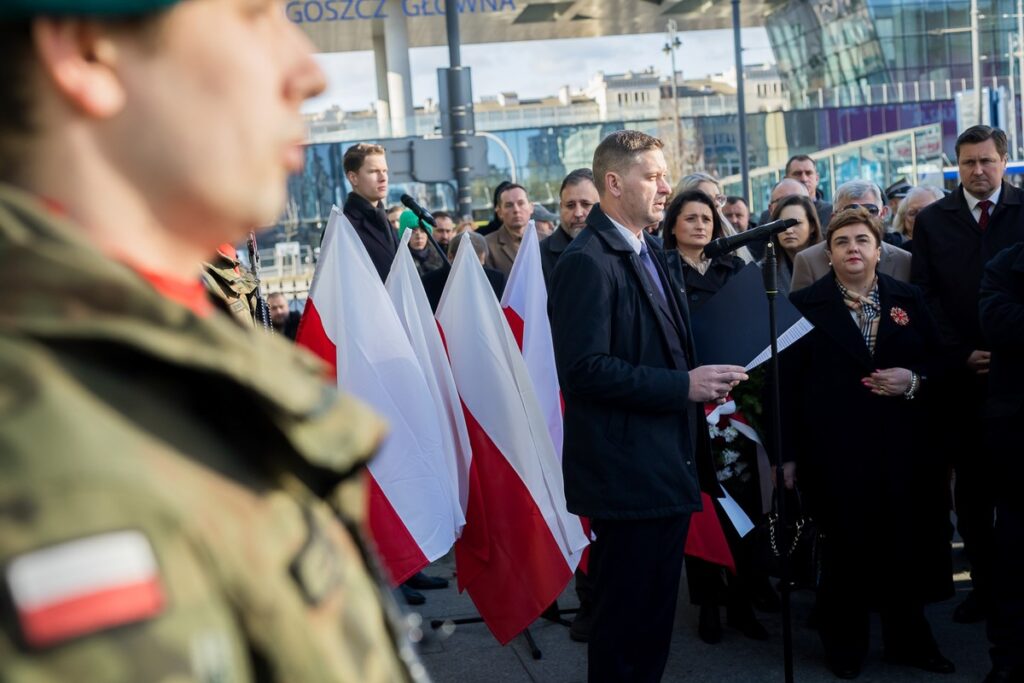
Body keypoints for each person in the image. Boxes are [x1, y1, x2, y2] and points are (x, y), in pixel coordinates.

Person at [0, 2, 418, 681]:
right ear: (86, 52)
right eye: (254, 16)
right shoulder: (41, 443)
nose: (307, 71)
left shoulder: (157, 357)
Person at [549, 129, 748, 682]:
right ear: (613, 183)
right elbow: (584, 370)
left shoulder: (647, 249)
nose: (666, 187)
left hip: (663, 465)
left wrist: (711, 375)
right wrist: (684, 386)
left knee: (652, 630)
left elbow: (665, 346)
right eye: (653, 176)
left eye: (666, 175)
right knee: (625, 633)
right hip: (627, 474)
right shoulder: (588, 260)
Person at [781, 209, 954, 679]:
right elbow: (787, 388)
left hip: (903, 451)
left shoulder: (908, 298)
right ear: (828, 253)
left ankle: (909, 642)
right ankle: (845, 646)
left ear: (880, 251)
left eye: (862, 240)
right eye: (841, 242)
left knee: (904, 548)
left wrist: (912, 381)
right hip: (834, 453)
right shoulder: (803, 305)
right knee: (844, 552)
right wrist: (788, 454)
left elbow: (943, 367)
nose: (853, 248)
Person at [912, 124, 1024, 626]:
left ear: (1005, 161)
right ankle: (983, 585)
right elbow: (925, 295)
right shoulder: (934, 220)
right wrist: (960, 353)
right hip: (961, 380)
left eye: (987, 161)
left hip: (1019, 378)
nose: (978, 172)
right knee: (972, 494)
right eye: (968, 163)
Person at [661, 189, 766, 644]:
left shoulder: (736, 269)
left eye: (707, 218)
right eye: (690, 218)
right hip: (685, 403)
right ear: (673, 226)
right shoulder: (661, 271)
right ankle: (707, 603)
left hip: (734, 404)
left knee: (742, 503)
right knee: (700, 507)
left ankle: (743, 599)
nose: (701, 225)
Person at [979, 242, 1024, 682]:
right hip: (1017, 437)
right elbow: (999, 324)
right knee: (1014, 551)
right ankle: (1009, 657)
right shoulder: (1005, 264)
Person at [790, 179, 912, 292]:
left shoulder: (903, 260)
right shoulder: (808, 261)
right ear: (834, 217)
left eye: (870, 210)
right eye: (850, 212)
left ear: (883, 213)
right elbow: (798, 312)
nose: (860, 218)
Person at [343, 143, 398, 283]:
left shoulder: (384, 218)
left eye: (385, 171)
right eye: (374, 171)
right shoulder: (343, 227)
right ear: (353, 178)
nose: (383, 178)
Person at [675, 172, 754, 263]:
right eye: (706, 198)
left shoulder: (730, 238)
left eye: (718, 198)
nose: (716, 203)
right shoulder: (667, 256)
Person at [540, 168, 599, 288]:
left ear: (601, 205)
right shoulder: (539, 255)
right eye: (570, 205)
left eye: (586, 204)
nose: (578, 213)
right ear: (561, 207)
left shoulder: (619, 246)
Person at [421, 232, 507, 312]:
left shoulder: (496, 280)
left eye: (477, 264)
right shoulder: (430, 282)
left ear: (484, 259)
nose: (472, 270)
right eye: (467, 263)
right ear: (451, 257)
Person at [764, 194, 822, 298]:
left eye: (796, 223)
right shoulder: (763, 271)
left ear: (812, 226)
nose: (789, 231)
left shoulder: (830, 263)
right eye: (783, 224)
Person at [484, 183, 532, 277]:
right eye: (509, 205)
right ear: (499, 212)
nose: (516, 210)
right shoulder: (487, 246)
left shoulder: (547, 240)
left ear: (531, 207)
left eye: (521, 203)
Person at [782, 154, 833, 227]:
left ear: (817, 179)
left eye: (808, 173)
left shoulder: (831, 212)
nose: (804, 179)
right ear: (786, 180)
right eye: (797, 174)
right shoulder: (771, 214)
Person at [891, 186, 944, 252]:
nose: (919, 218)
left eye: (926, 211)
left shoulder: (954, 246)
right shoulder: (896, 253)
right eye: (912, 213)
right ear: (903, 219)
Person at [399, 210, 445, 276]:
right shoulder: (399, 261)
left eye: (423, 230)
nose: (419, 235)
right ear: (404, 235)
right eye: (413, 231)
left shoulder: (441, 257)